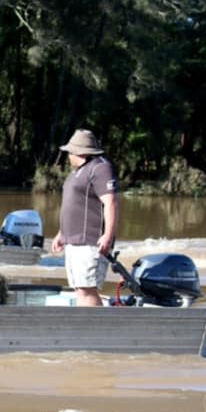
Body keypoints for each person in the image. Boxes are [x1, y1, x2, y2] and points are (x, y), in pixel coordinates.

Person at [50, 129, 120, 307]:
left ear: (79, 152)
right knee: (79, 288)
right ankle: (84, 328)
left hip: (90, 242)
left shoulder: (100, 167)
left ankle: (95, 331)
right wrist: (61, 234)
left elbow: (110, 202)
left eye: (70, 151)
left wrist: (108, 235)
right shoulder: (79, 171)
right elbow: (75, 204)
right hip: (73, 242)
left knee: (87, 289)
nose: (68, 155)